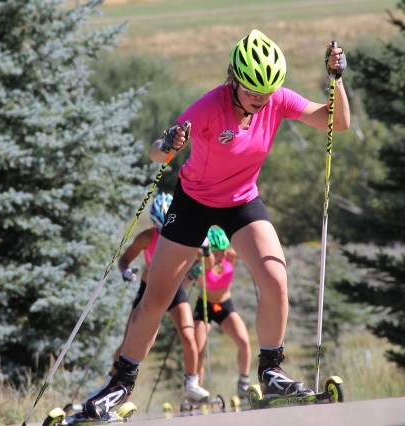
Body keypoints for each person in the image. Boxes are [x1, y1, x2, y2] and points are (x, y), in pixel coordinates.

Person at [83, 29, 349, 419]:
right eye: (253, 91)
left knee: (275, 278)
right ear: (234, 80)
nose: (261, 100)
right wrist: (170, 142)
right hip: (193, 203)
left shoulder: (276, 99)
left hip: (242, 202)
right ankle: (119, 385)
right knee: (155, 298)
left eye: (268, 91)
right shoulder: (209, 107)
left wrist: (336, 81)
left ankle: (272, 370)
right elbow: (157, 152)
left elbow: (336, 122)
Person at [106, 192, 209, 403]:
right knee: (129, 343)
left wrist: (203, 253)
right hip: (148, 289)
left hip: (174, 288)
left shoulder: (184, 231)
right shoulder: (146, 237)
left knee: (188, 336)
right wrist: (125, 271)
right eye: (161, 230)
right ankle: (111, 384)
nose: (165, 234)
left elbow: (202, 257)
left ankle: (192, 383)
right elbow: (124, 260)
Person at [184, 227, 252, 398]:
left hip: (224, 306)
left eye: (222, 251)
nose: (220, 256)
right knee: (198, 350)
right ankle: (196, 391)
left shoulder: (230, 255)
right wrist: (193, 274)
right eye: (216, 252)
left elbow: (251, 252)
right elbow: (182, 285)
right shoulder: (200, 258)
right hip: (205, 306)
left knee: (244, 341)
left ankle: (243, 384)